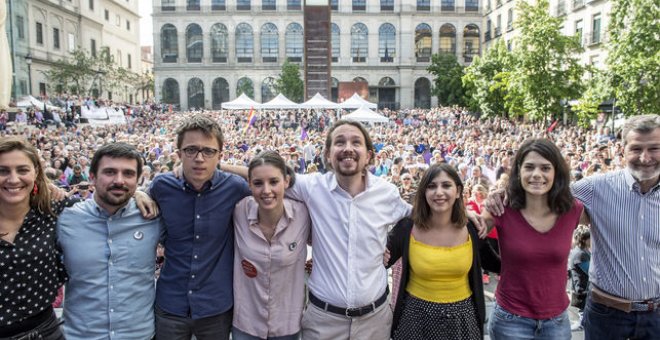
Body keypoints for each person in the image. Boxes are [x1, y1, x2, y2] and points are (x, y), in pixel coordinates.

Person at [150, 114, 251, 340]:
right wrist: (138, 193)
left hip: (215, 307)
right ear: (179, 154)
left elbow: (282, 178)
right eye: (191, 150)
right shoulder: (161, 186)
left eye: (208, 151)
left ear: (220, 155)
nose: (199, 158)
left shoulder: (234, 187)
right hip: (170, 305)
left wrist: (223, 166)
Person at [481, 138, 584, 340]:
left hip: (556, 322)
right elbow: (468, 228)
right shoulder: (501, 208)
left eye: (545, 168)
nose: (537, 174)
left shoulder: (573, 210)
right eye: (529, 167)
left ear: (556, 172)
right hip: (510, 320)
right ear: (519, 171)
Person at [57, 142, 161, 339]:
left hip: (139, 335)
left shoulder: (152, 217)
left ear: (138, 180)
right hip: (80, 336)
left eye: (128, 174)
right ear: (92, 177)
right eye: (110, 172)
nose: (119, 180)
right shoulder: (65, 219)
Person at [386, 164, 500, 340]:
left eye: (446, 185)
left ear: (458, 191)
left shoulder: (472, 228)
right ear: (424, 192)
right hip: (415, 320)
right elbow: (379, 259)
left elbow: (497, 264)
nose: (439, 192)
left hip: (463, 320)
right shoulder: (407, 227)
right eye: (431, 186)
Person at [574, 115, 659, 339]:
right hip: (607, 317)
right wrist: (502, 194)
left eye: (654, 148)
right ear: (622, 150)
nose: (645, 157)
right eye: (636, 148)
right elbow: (541, 198)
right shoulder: (595, 188)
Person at [232, 151, 311, 340]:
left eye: (274, 182)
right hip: (246, 324)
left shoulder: (304, 214)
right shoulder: (238, 210)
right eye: (258, 183)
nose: (266, 190)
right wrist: (217, 167)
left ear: (287, 181)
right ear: (249, 184)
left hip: (287, 325)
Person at [0, 137, 71, 339]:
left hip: (44, 331)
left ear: (36, 173)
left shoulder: (55, 211)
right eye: (3, 170)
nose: (13, 179)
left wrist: (138, 194)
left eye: (22, 170)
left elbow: (104, 208)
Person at [568, 225, 591, 331]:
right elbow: (590, 271)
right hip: (583, 291)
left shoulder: (582, 251)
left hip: (583, 289)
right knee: (583, 318)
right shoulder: (580, 254)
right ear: (585, 240)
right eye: (590, 238)